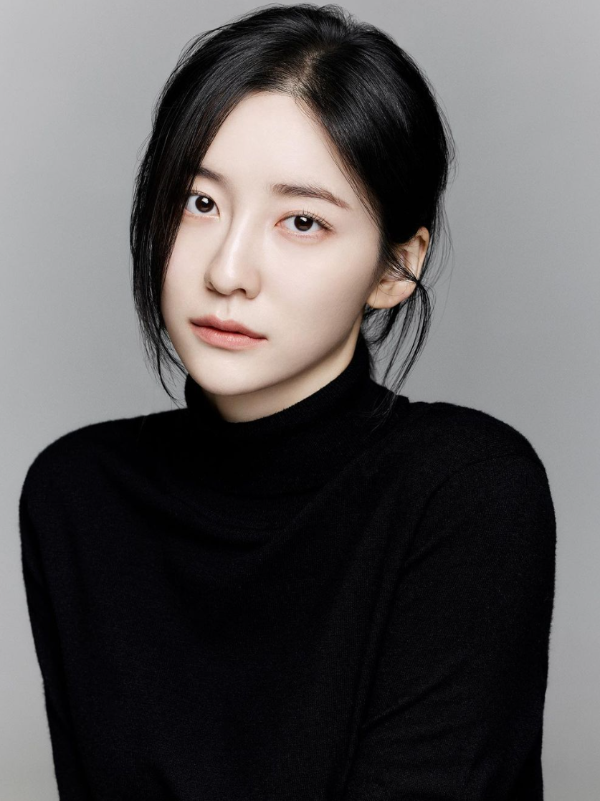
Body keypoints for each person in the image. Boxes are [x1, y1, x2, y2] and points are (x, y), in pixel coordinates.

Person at [18, 4, 556, 800]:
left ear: (394, 269)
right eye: (199, 202)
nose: (228, 271)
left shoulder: (466, 490)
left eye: (301, 221)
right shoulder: (76, 495)